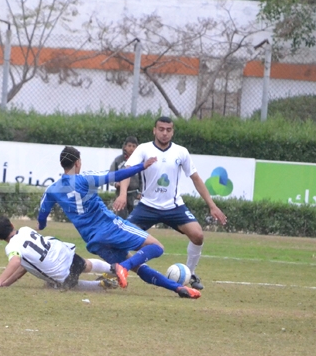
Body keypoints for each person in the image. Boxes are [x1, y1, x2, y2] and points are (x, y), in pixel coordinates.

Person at [37, 146, 200, 299]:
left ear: (61, 164)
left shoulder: (52, 189)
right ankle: (123, 268)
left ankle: (178, 288)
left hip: (94, 241)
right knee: (157, 247)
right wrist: (142, 166)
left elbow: (43, 214)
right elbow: (116, 176)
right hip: (110, 227)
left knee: (139, 267)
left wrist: (42, 225)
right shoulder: (86, 179)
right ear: (78, 163)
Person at [113, 116, 228, 290]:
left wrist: (212, 205)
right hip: (147, 206)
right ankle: (114, 271)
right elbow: (127, 172)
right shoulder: (144, 149)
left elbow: (195, 178)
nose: (165, 133)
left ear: (172, 131)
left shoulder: (181, 152)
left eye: (168, 130)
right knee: (119, 238)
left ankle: (190, 273)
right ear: (154, 130)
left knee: (198, 235)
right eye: (161, 129)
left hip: (174, 207)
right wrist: (122, 195)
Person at [0, 216, 119, 291]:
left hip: (63, 273)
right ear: (12, 224)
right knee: (85, 264)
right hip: (65, 254)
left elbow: (16, 261)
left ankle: (101, 285)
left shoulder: (11, 247)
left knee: (59, 284)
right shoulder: (25, 229)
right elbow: (24, 267)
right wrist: (6, 284)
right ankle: (114, 269)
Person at [109, 136, 141, 219]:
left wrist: (141, 192)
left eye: (134, 146)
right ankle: (119, 232)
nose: (131, 148)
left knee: (135, 218)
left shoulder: (139, 161)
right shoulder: (118, 160)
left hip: (135, 194)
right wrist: (115, 183)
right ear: (125, 147)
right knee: (120, 217)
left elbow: (144, 179)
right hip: (121, 193)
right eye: (129, 146)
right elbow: (111, 175)